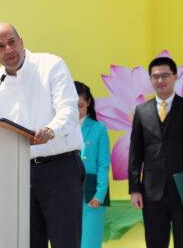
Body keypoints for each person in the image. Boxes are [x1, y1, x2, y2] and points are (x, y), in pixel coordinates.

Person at [0, 22, 84, 248]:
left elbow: (68, 110)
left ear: (21, 41)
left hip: (60, 170)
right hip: (20, 176)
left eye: (12, 42)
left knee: (66, 242)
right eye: (1, 46)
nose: (9, 50)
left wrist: (50, 131)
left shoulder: (50, 65)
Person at [128, 56, 183, 248]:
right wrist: (134, 188)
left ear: (175, 76)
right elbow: (135, 153)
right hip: (152, 191)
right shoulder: (142, 111)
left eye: (165, 76)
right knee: (155, 242)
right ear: (150, 80)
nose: (160, 81)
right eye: (155, 77)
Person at [75, 81, 110, 248]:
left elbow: (103, 164)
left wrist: (100, 193)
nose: (76, 110)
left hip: (91, 191)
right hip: (64, 191)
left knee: (89, 242)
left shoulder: (99, 129)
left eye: (80, 105)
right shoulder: (58, 129)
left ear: (88, 103)